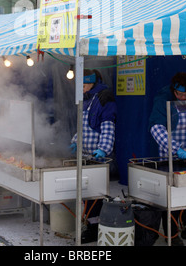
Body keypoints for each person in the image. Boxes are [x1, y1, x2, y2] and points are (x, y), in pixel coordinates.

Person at [149, 72, 186, 246]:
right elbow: (156, 129)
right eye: (180, 94)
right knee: (172, 196)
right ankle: (172, 234)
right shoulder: (162, 101)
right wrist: (176, 149)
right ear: (173, 90)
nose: (183, 97)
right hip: (170, 156)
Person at [70, 68, 117, 243]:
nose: (81, 87)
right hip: (84, 155)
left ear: (94, 83)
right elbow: (81, 125)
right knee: (85, 193)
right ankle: (89, 225)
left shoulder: (104, 99)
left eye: (85, 84)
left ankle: (93, 229)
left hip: (97, 156)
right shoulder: (86, 99)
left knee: (94, 195)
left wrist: (103, 149)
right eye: (80, 84)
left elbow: (108, 127)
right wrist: (75, 141)